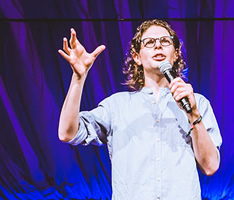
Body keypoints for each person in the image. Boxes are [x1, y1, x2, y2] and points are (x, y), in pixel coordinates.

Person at [58, 19, 222, 200]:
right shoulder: (116, 106)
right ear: (137, 57)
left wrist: (193, 114)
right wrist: (78, 78)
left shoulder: (197, 103)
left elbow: (210, 166)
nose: (158, 46)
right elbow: (67, 133)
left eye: (165, 41)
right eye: (149, 42)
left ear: (175, 54)